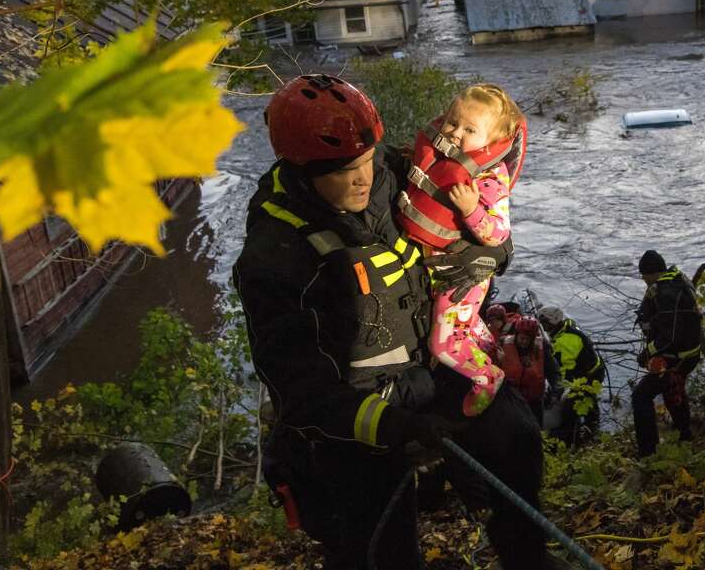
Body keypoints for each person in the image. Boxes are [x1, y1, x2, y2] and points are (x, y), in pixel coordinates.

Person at [233, 74, 549, 570]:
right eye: (344, 171)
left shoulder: (391, 170)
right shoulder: (276, 257)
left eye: (367, 162)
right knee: (381, 544)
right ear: (302, 167)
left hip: (438, 363)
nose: (363, 179)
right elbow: (303, 390)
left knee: (516, 440)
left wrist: (489, 253)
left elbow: (486, 222)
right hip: (360, 408)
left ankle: (527, 556)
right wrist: (401, 428)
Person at [396, 84, 526, 417]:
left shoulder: (488, 178)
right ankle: (488, 350)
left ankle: (487, 377)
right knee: (462, 329)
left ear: (492, 141)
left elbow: (498, 234)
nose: (454, 133)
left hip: (465, 275)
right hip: (440, 266)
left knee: (442, 344)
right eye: (452, 123)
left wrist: (471, 209)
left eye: (470, 130)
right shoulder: (441, 157)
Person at [632, 250, 702, 458]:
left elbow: (670, 336)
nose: (643, 281)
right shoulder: (677, 281)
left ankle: (648, 452)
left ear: (651, 273)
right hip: (687, 355)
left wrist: (647, 352)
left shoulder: (666, 294)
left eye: (644, 276)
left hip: (676, 357)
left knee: (641, 396)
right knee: (672, 391)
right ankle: (685, 434)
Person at [537, 305, 605, 445]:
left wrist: (555, 392)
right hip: (585, 370)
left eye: (546, 324)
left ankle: (574, 438)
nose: (544, 327)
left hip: (590, 375)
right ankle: (590, 428)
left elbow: (564, 371)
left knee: (572, 404)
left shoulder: (567, 340)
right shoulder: (563, 329)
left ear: (555, 321)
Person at [497, 315, 562, 425]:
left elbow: (554, 373)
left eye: (528, 339)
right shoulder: (503, 344)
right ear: (516, 335)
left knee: (535, 430)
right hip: (509, 398)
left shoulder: (542, 349)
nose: (524, 342)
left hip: (533, 402)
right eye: (522, 338)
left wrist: (556, 392)